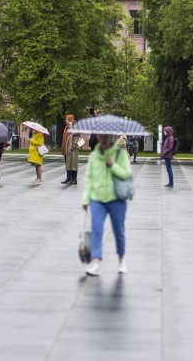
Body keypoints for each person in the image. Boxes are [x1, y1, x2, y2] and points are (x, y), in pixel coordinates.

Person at [82, 133, 132, 276]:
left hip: (116, 199)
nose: (103, 139)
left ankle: (121, 258)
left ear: (111, 138)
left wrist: (113, 165)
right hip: (97, 199)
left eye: (106, 137)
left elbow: (126, 174)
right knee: (96, 229)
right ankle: (96, 261)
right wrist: (86, 199)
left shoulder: (120, 154)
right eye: (101, 137)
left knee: (118, 231)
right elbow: (89, 178)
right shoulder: (94, 156)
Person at [63, 114, 81, 186]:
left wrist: (74, 146)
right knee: (69, 164)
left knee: (73, 164)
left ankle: (74, 179)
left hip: (73, 151)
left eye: (71, 124)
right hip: (69, 150)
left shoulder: (76, 132)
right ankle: (70, 178)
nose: (69, 125)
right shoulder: (70, 132)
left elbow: (78, 141)